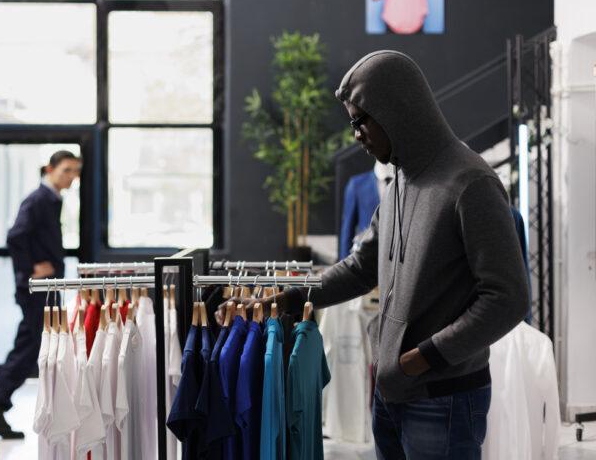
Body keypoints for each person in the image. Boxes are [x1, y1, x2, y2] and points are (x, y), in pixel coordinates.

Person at [225, 51, 529, 459]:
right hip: (392, 392)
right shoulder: (401, 181)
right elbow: (361, 267)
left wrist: (424, 358)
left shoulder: (471, 183)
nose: (356, 135)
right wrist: (293, 297)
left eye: (359, 121)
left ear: (396, 109)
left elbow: (508, 298)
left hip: (442, 398)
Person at [0, 150, 81, 439]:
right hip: (36, 289)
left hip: (43, 287)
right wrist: (32, 268)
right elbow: (15, 235)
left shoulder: (52, 199)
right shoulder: (38, 199)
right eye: (67, 170)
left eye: (75, 171)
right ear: (49, 169)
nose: (72, 177)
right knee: (31, 348)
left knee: (28, 346)